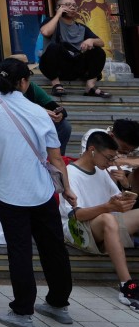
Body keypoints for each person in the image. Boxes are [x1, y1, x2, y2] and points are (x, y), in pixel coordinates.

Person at [0, 57, 77, 327]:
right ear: (24, 82)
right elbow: (56, 158)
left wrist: (2, 159)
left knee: (20, 251)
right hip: (42, 191)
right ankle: (58, 304)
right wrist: (67, 189)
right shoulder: (41, 112)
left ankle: (22, 312)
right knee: (53, 247)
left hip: (8, 191)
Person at [60, 131, 139, 309]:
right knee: (107, 219)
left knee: (111, 218)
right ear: (92, 150)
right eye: (109, 158)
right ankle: (126, 285)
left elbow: (115, 200)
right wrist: (108, 207)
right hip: (77, 229)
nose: (111, 163)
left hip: (103, 223)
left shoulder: (101, 172)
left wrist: (126, 191)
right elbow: (76, 215)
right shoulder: (70, 174)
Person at [0, 75, 71, 155]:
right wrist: (38, 111)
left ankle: (57, 157)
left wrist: (60, 113)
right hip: (5, 124)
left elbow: (54, 106)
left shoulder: (31, 87)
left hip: (30, 124)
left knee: (64, 126)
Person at [40, 0, 110, 98]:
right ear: (58, 8)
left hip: (76, 67)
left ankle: (90, 87)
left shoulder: (81, 27)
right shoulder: (51, 22)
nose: (72, 7)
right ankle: (56, 85)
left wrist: (91, 40)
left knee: (98, 51)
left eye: (74, 5)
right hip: (56, 68)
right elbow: (45, 32)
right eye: (67, 5)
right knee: (54, 47)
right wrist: (58, 15)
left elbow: (101, 42)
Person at [80, 119, 139, 193]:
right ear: (111, 136)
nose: (127, 152)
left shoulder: (134, 144)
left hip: (127, 179)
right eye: (123, 149)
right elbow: (90, 160)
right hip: (104, 175)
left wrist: (125, 160)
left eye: (131, 151)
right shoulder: (96, 135)